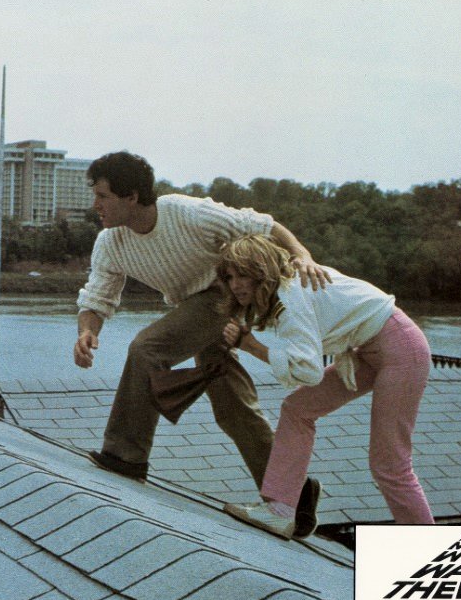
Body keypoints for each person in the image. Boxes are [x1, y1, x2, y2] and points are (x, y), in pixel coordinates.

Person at [74, 151, 328, 536]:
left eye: (102, 196)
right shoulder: (110, 242)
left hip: (225, 294)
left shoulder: (187, 213)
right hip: (194, 304)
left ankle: (126, 455)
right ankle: (294, 492)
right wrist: (86, 331)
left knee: (147, 348)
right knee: (232, 404)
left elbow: (265, 225)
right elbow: (97, 297)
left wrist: (303, 255)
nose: (95, 204)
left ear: (132, 197)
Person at [217, 234, 435, 539]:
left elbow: (308, 372)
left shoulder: (291, 300)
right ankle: (279, 510)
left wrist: (251, 346)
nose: (235, 284)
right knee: (297, 409)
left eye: (242, 274)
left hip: (401, 349)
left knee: (390, 466)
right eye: (229, 277)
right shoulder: (287, 290)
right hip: (369, 349)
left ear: (261, 271)